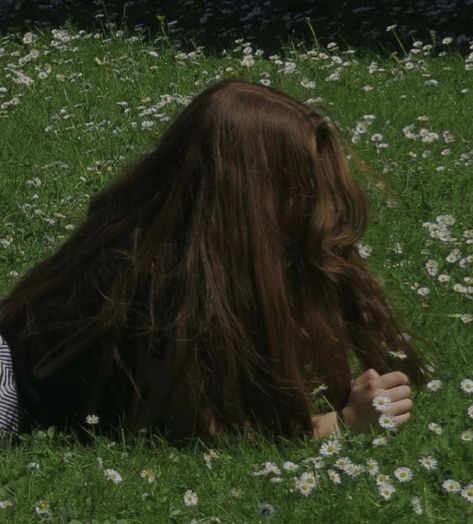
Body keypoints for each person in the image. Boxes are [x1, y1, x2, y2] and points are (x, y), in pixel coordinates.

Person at [0, 78, 428, 444]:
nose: (320, 209)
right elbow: (204, 430)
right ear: (252, 198)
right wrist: (341, 424)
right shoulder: (157, 277)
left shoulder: (161, 241)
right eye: (304, 188)